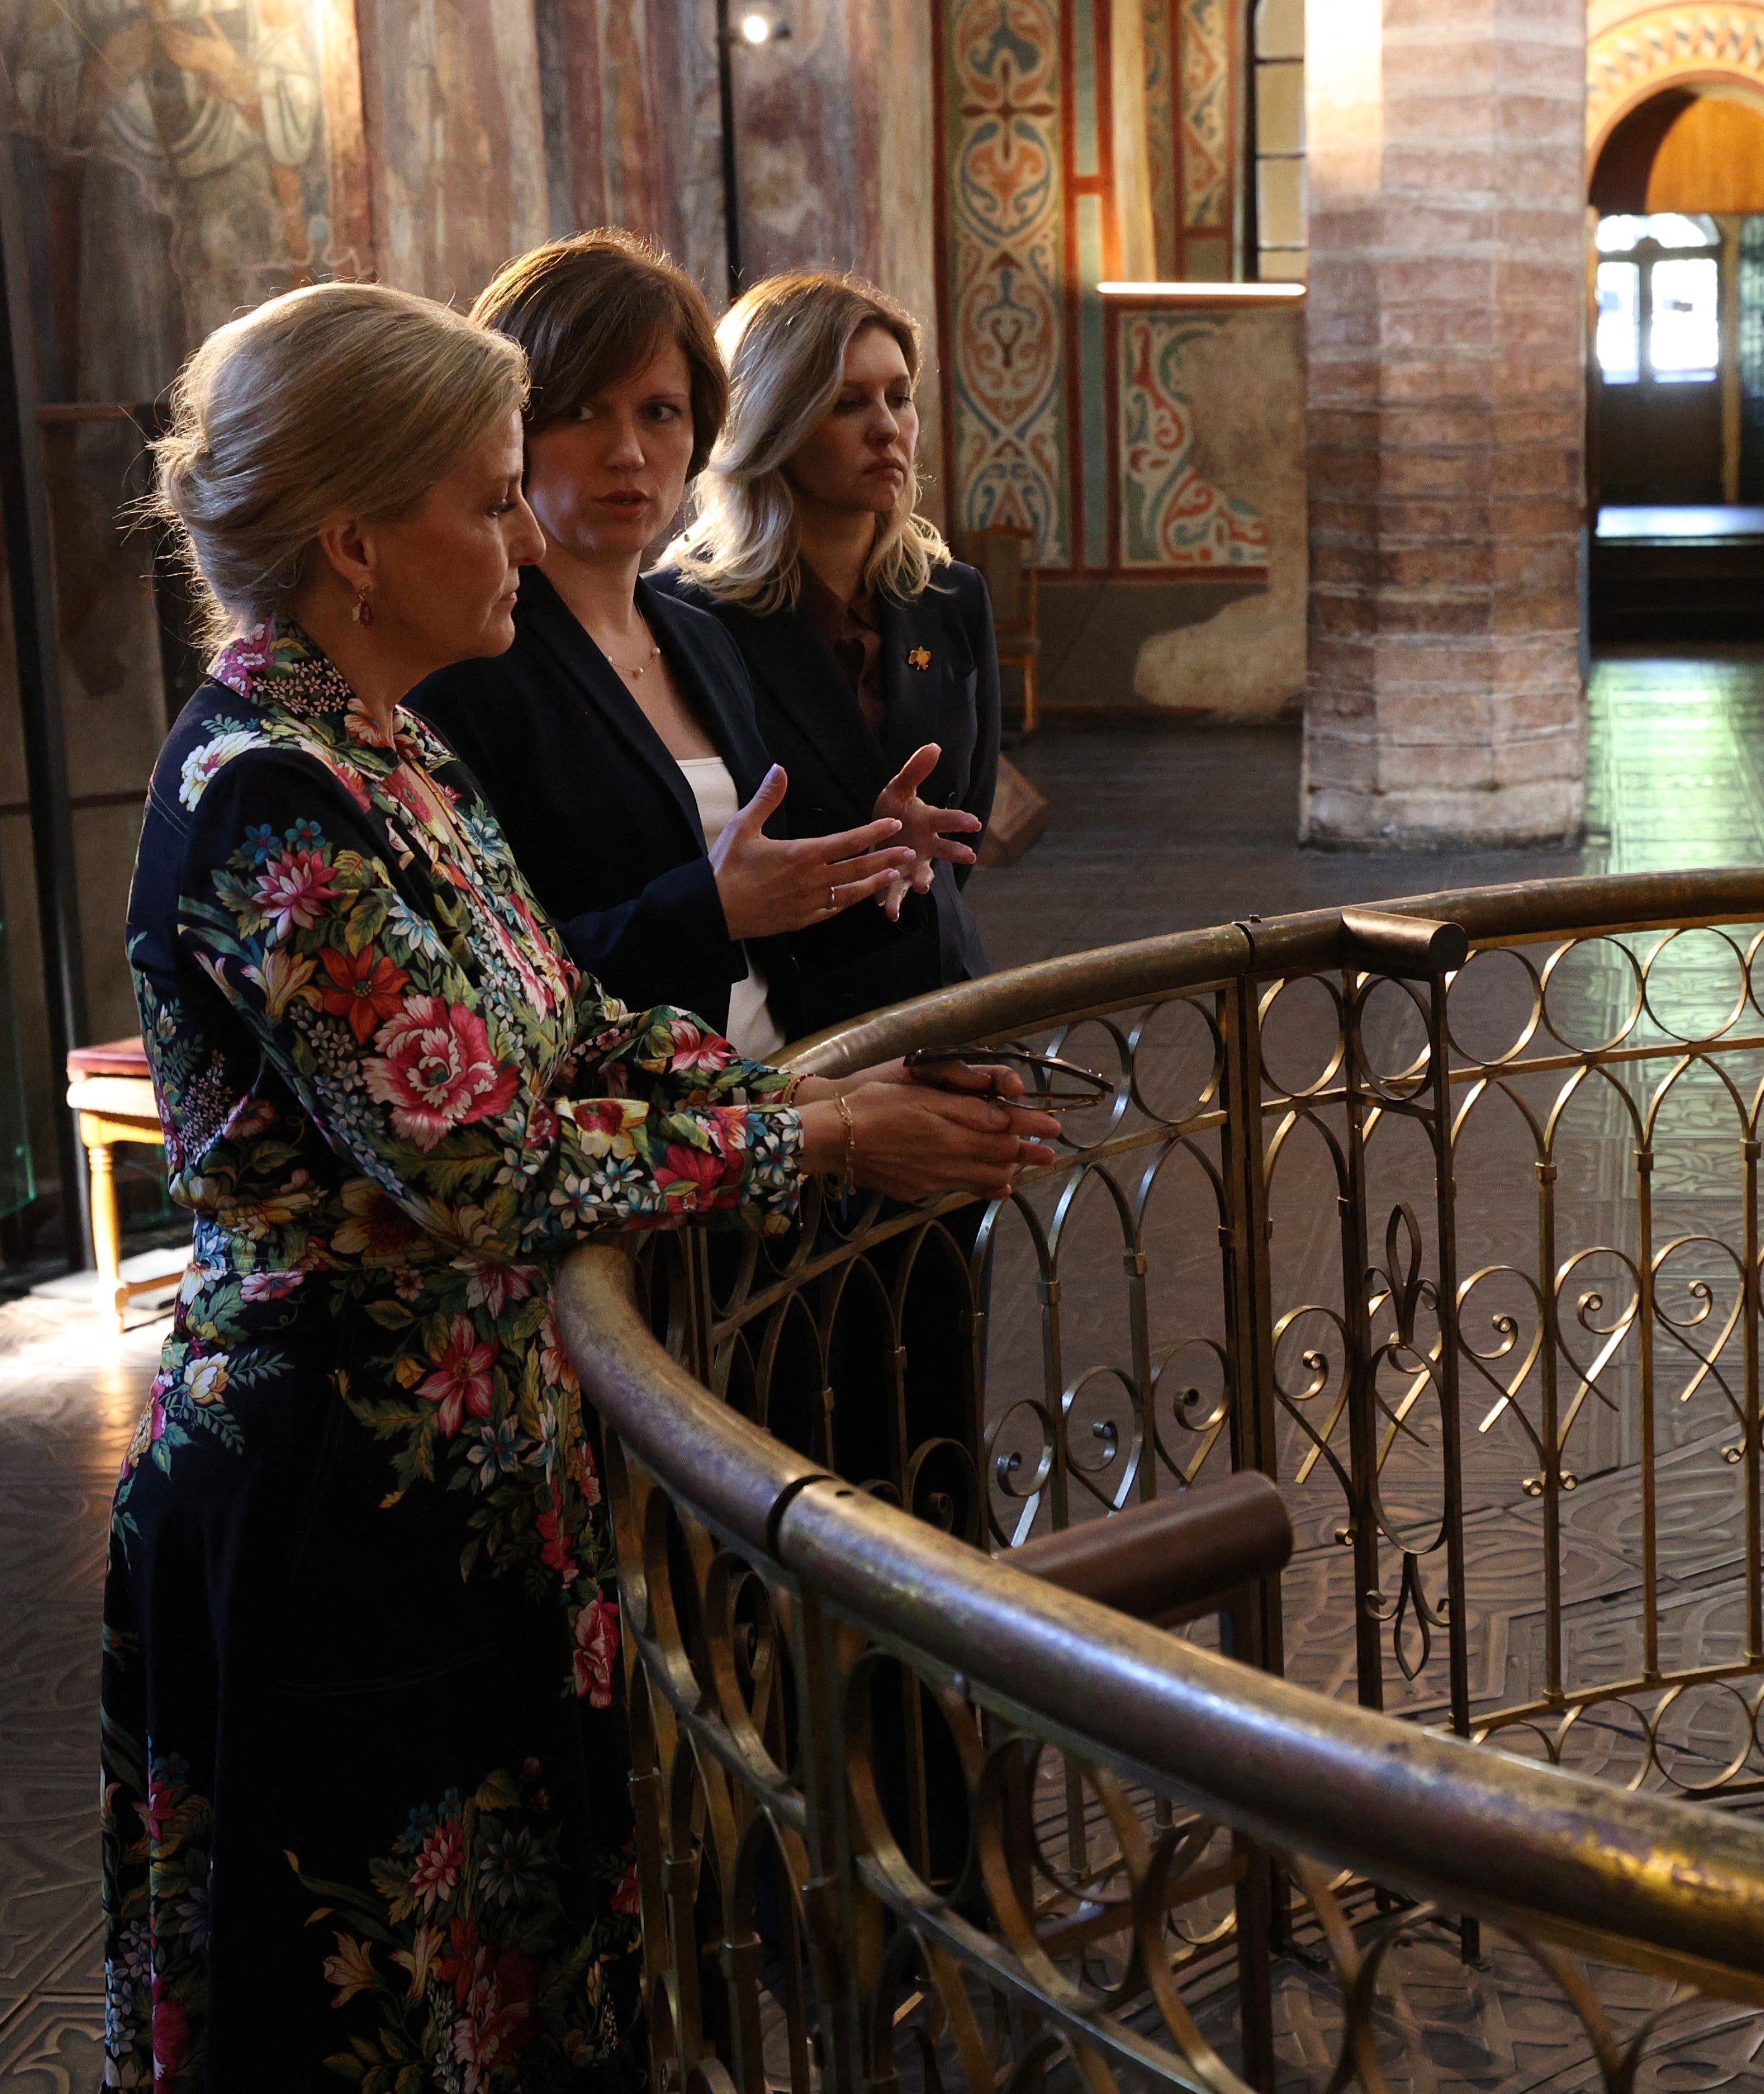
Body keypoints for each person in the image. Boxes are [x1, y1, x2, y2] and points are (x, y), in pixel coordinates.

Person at [106, 279, 1057, 2090]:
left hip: (475, 1467)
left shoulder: (386, 745)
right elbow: (484, 1160)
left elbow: (568, 1023)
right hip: (336, 1495)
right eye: (487, 499)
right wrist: (824, 1134)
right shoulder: (266, 793)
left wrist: (803, 1082)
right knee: (374, 2009)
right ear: (353, 541)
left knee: (524, 1986)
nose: (525, 535)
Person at [411, 232, 961, 1056]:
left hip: (782, 1085)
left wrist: (864, 860)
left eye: (659, 412)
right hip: (633, 1132)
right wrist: (709, 911)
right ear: (508, 430)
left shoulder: (696, 636)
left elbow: (762, 923)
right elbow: (471, 989)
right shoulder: (467, 665)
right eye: (583, 411)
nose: (629, 452)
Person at [657, 271, 1002, 1033]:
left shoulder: (949, 595)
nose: (887, 429)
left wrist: (915, 859)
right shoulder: (683, 613)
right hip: (790, 1024)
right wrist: (866, 850)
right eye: (848, 403)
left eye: (899, 396)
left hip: (944, 988)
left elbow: (967, 808)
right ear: (770, 421)